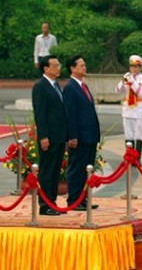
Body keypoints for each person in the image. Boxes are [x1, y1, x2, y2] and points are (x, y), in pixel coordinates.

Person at [63, 55, 100, 211]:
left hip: (89, 135)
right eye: (81, 65)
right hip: (79, 137)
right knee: (76, 168)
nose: (85, 67)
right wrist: (72, 136)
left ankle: (83, 199)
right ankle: (74, 200)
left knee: (87, 169)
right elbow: (70, 114)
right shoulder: (70, 87)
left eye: (85, 65)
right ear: (72, 68)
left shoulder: (83, 86)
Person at [32, 55, 67, 216]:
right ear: (46, 68)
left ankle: (52, 202)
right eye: (55, 65)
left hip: (59, 136)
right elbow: (40, 113)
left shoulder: (55, 85)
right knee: (47, 171)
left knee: (55, 171)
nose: (58, 68)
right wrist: (43, 136)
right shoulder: (40, 86)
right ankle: (44, 205)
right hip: (49, 136)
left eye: (58, 65)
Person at [116, 55, 142, 164]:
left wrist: (133, 82)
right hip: (128, 109)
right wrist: (123, 81)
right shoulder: (127, 77)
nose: (133, 69)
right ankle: (129, 157)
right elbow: (117, 91)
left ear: (140, 67)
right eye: (131, 67)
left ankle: (137, 158)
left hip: (139, 110)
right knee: (128, 134)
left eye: (136, 67)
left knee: (138, 135)